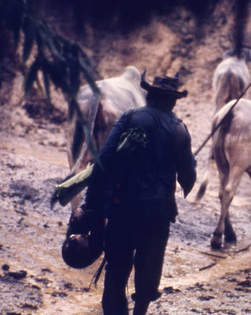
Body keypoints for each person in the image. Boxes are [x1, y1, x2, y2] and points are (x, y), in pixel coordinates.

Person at [85, 71, 196, 315]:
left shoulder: (130, 117)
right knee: (148, 270)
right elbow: (188, 180)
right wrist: (186, 166)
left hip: (123, 208)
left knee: (116, 274)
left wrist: (90, 206)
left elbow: (103, 162)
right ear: (173, 101)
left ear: (149, 95)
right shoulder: (180, 131)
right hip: (157, 214)